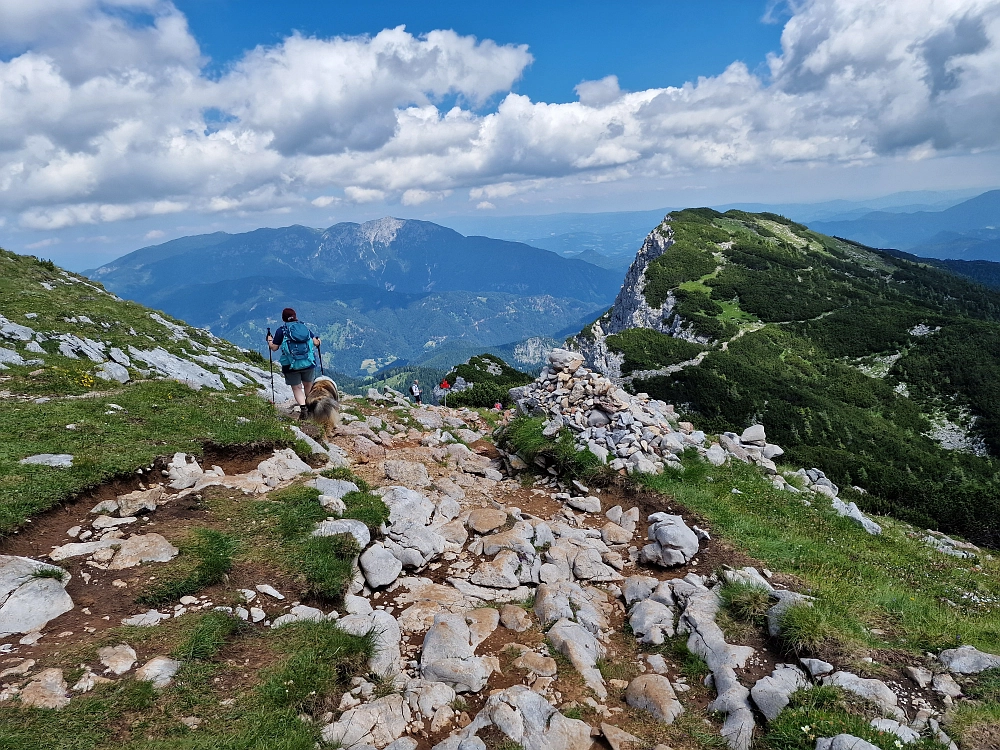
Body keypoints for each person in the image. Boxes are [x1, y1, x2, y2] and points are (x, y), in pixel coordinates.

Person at [266, 308, 321, 419]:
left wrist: (269, 340)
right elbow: (315, 342)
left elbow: (274, 348)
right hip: (308, 363)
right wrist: (319, 341)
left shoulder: (281, 330)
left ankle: (303, 408)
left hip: (291, 365)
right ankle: (311, 408)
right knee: (308, 385)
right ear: (295, 316)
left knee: (296, 388)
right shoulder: (304, 327)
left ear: (283, 318)